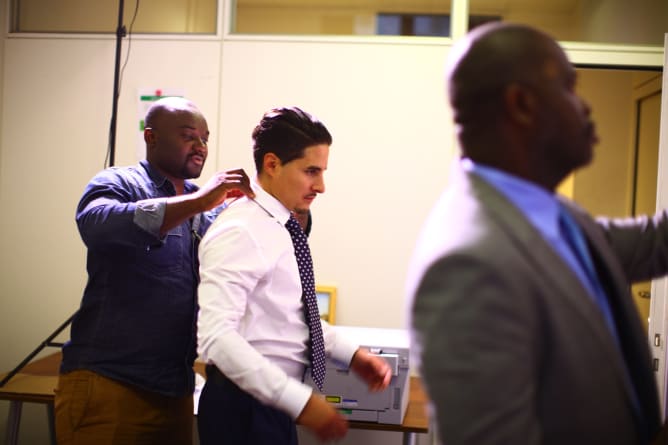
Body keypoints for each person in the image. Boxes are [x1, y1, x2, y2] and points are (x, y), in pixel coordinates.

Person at [406, 22, 668, 445]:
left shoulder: (555, 214)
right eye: (570, 87)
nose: (585, 108)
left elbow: (657, 242)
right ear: (522, 104)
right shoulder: (469, 265)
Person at [55, 96, 254, 445]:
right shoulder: (119, 182)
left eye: (205, 138)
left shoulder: (204, 208)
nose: (201, 146)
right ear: (151, 137)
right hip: (109, 382)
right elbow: (96, 224)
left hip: (175, 392)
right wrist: (203, 200)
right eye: (189, 135)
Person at [196, 106, 392, 445]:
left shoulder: (280, 227)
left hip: (271, 406)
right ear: (272, 164)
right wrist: (298, 401)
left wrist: (352, 353)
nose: (321, 186)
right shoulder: (241, 229)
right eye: (311, 171)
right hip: (245, 407)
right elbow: (216, 337)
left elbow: (291, 315)